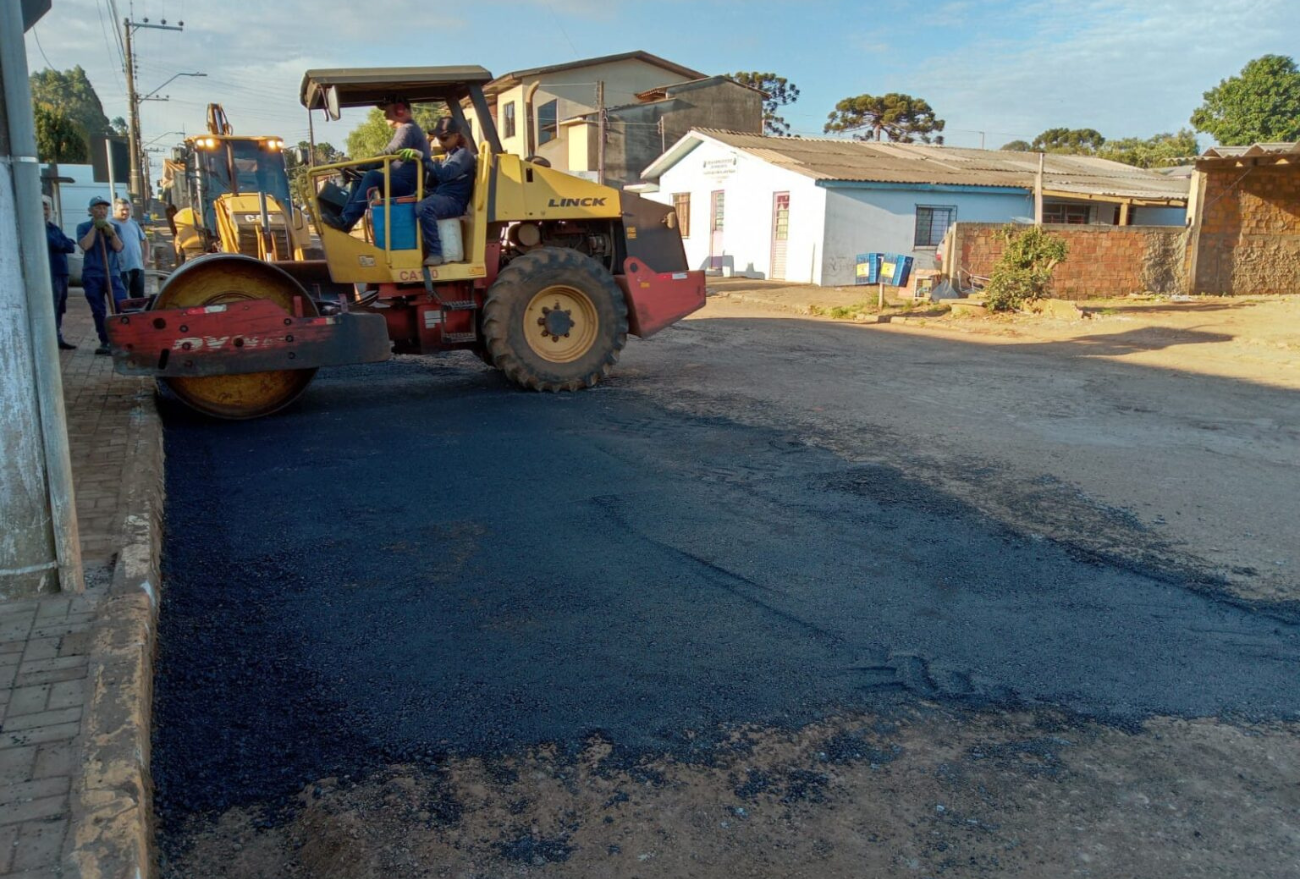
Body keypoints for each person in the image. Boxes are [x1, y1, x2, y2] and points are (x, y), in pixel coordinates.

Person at [322, 95, 430, 233]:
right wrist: (356, 167)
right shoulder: (407, 129)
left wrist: (356, 165)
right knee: (358, 179)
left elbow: (388, 154)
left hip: (410, 187)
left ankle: (346, 222)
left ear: (400, 110)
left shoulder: (407, 129)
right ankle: (344, 218)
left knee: (372, 176)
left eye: (387, 111)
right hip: (404, 184)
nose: (384, 115)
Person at [403, 117, 477, 267]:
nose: (441, 141)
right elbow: (437, 180)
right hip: (444, 197)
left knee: (425, 207)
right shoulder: (449, 156)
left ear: (456, 136)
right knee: (410, 201)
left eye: (444, 137)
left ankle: (436, 253)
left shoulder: (463, 155)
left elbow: (445, 174)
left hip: (454, 201)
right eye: (438, 138)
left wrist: (423, 157)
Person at [77, 195, 127, 356]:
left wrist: (110, 231)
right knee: (98, 310)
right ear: (90, 211)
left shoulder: (115, 227)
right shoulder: (83, 226)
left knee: (121, 305)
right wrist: (95, 227)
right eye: (98, 208)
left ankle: (121, 339)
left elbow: (119, 247)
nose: (101, 211)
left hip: (112, 273)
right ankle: (105, 341)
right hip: (92, 274)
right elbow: (85, 245)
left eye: (104, 208)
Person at [44, 196, 78, 350]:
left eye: (46, 208)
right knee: (51, 306)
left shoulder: (53, 227)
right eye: (42, 208)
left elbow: (70, 247)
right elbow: (57, 243)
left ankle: (57, 337)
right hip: (50, 274)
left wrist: (65, 243)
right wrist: (65, 243)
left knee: (60, 306)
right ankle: (50, 339)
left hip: (62, 273)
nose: (45, 211)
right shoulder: (38, 229)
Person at [111, 197, 149, 299]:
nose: (125, 212)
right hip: (121, 269)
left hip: (137, 266)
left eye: (127, 210)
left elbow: (145, 240)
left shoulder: (133, 223)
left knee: (139, 298)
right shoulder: (111, 225)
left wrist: (146, 257)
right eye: (122, 210)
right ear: (115, 210)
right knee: (122, 299)